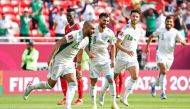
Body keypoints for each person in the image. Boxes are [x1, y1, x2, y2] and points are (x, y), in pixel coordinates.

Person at [23, 21, 95, 109]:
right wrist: (51, 57)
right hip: (59, 60)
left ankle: (67, 107)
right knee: (49, 85)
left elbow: (79, 53)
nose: (93, 31)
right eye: (92, 29)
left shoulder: (86, 40)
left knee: (73, 83)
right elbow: (59, 42)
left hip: (69, 62)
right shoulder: (75, 35)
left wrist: (79, 67)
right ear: (86, 28)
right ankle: (31, 87)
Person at [100, 9, 144, 106]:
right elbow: (117, 43)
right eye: (133, 16)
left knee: (135, 76)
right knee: (113, 78)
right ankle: (102, 92)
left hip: (132, 57)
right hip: (122, 57)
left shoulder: (139, 29)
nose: (135, 18)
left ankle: (124, 98)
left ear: (139, 18)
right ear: (130, 17)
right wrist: (127, 51)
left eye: (137, 16)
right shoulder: (125, 29)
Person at [145, 15, 187, 99]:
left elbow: (184, 42)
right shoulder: (160, 31)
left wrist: (180, 41)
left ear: (173, 23)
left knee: (162, 73)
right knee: (163, 71)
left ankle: (154, 84)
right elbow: (151, 36)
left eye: (170, 22)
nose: (169, 23)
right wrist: (147, 47)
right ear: (165, 22)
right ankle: (163, 92)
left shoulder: (176, 32)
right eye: (167, 22)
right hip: (160, 54)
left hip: (170, 57)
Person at [86, 13, 119, 109]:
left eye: (108, 21)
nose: (106, 22)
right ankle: (94, 105)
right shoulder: (92, 31)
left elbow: (113, 46)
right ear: (99, 20)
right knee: (93, 82)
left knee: (110, 79)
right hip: (94, 61)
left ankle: (113, 103)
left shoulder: (110, 32)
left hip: (105, 60)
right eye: (104, 20)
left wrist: (113, 60)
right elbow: (84, 45)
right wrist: (89, 54)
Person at [57, 9, 85, 105]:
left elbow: (79, 43)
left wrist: (78, 60)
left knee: (78, 76)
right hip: (67, 56)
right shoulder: (66, 27)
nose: (68, 18)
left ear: (74, 16)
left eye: (70, 16)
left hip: (75, 55)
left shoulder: (77, 26)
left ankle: (80, 99)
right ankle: (65, 97)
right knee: (62, 75)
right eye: (67, 16)